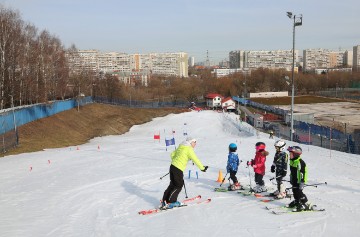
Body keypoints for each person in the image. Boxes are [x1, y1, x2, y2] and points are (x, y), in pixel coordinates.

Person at [161, 137, 208, 209]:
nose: (195, 144)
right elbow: (195, 159)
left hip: (172, 166)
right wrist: (202, 168)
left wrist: (176, 160)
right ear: (190, 142)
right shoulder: (189, 149)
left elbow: (172, 154)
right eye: (194, 142)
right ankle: (171, 202)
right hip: (178, 169)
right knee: (178, 185)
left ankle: (165, 200)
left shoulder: (182, 146)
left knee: (172, 184)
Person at [286, 146, 312, 211]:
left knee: (299, 192)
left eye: (291, 154)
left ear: (295, 154)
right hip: (295, 180)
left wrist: (302, 182)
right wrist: (291, 178)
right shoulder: (292, 161)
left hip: (300, 180)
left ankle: (306, 204)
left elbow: (302, 173)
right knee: (294, 191)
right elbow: (292, 172)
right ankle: (297, 201)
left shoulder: (300, 162)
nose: (289, 155)